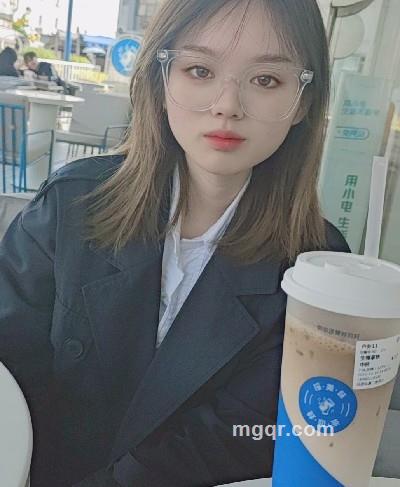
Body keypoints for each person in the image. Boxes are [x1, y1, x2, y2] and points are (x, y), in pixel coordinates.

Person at [0, 0, 350, 486]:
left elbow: (245, 435)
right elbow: (10, 368)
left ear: (304, 102)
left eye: (266, 79)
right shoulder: (72, 204)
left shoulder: (317, 268)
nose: (227, 105)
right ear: (160, 80)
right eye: (200, 70)